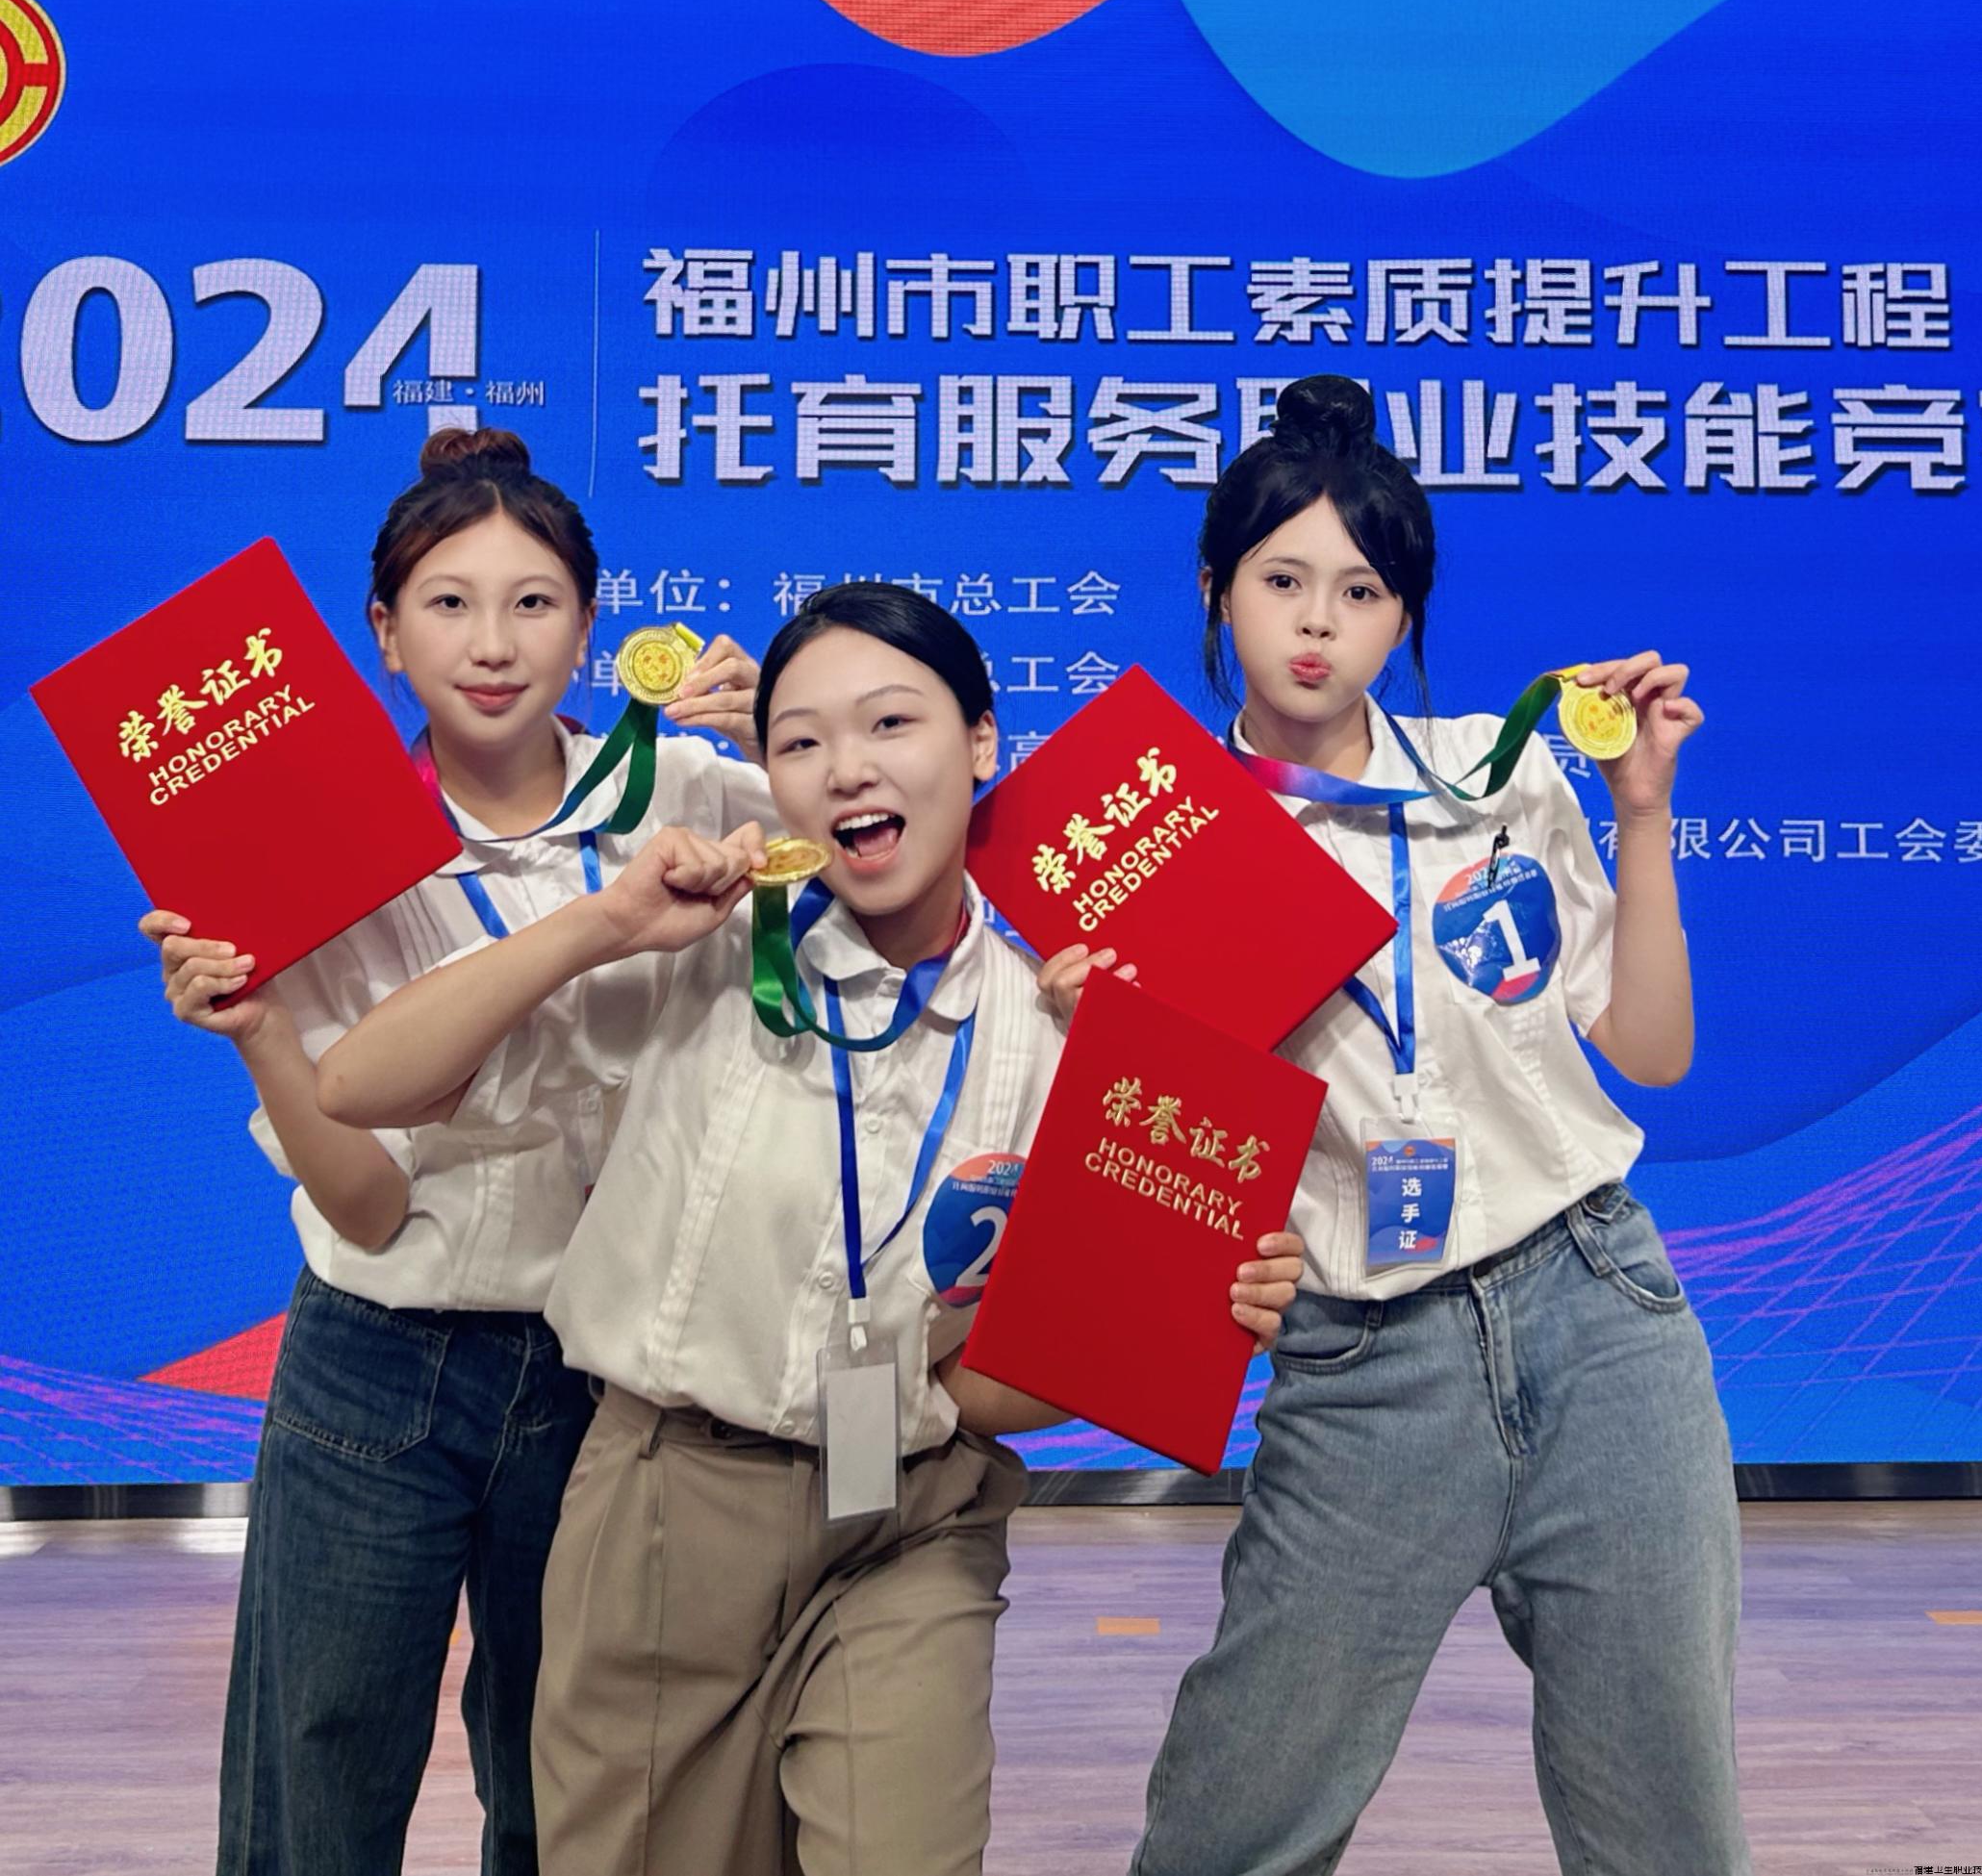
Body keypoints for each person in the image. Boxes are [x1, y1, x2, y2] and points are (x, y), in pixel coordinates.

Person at [318, 579, 1306, 1876]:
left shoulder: (1070, 1033)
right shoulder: (694, 948)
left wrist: (1194, 1300)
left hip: (911, 1519)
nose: (847, 768)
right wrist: (603, 922)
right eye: (800, 741)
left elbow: (1003, 1382)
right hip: (666, 1512)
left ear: (983, 742)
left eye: (892, 722)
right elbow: (361, 1083)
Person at [1126, 373, 1751, 1876]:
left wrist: (1641, 810)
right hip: (1363, 1356)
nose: (1318, 623)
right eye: (1281, 580)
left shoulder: (1499, 775)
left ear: (1404, 613)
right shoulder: (1164, 842)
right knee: (1227, 1832)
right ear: (1215, 588)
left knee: (1668, 1831)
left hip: (1599, 1312)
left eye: (1362, 590)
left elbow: (1651, 1050)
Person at [148, 425, 764, 1876]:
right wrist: (259, 1031)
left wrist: (787, 741)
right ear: (384, 630)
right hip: (378, 1357)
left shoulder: (685, 789)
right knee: (318, 1781)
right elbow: (366, 1207)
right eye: (448, 603)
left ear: (591, 625)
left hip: (608, 1367)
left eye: (534, 602)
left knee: (572, 1795)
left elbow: (906, 861)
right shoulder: (309, 843)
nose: (493, 644)